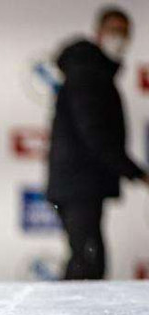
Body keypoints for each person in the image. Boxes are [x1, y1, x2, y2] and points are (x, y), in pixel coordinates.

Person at [47, 6, 149, 280]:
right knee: (87, 263)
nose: (120, 38)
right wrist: (137, 173)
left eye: (125, 32)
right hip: (77, 185)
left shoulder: (94, 71)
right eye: (114, 30)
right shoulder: (87, 73)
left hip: (81, 185)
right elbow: (95, 135)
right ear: (99, 33)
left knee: (87, 261)